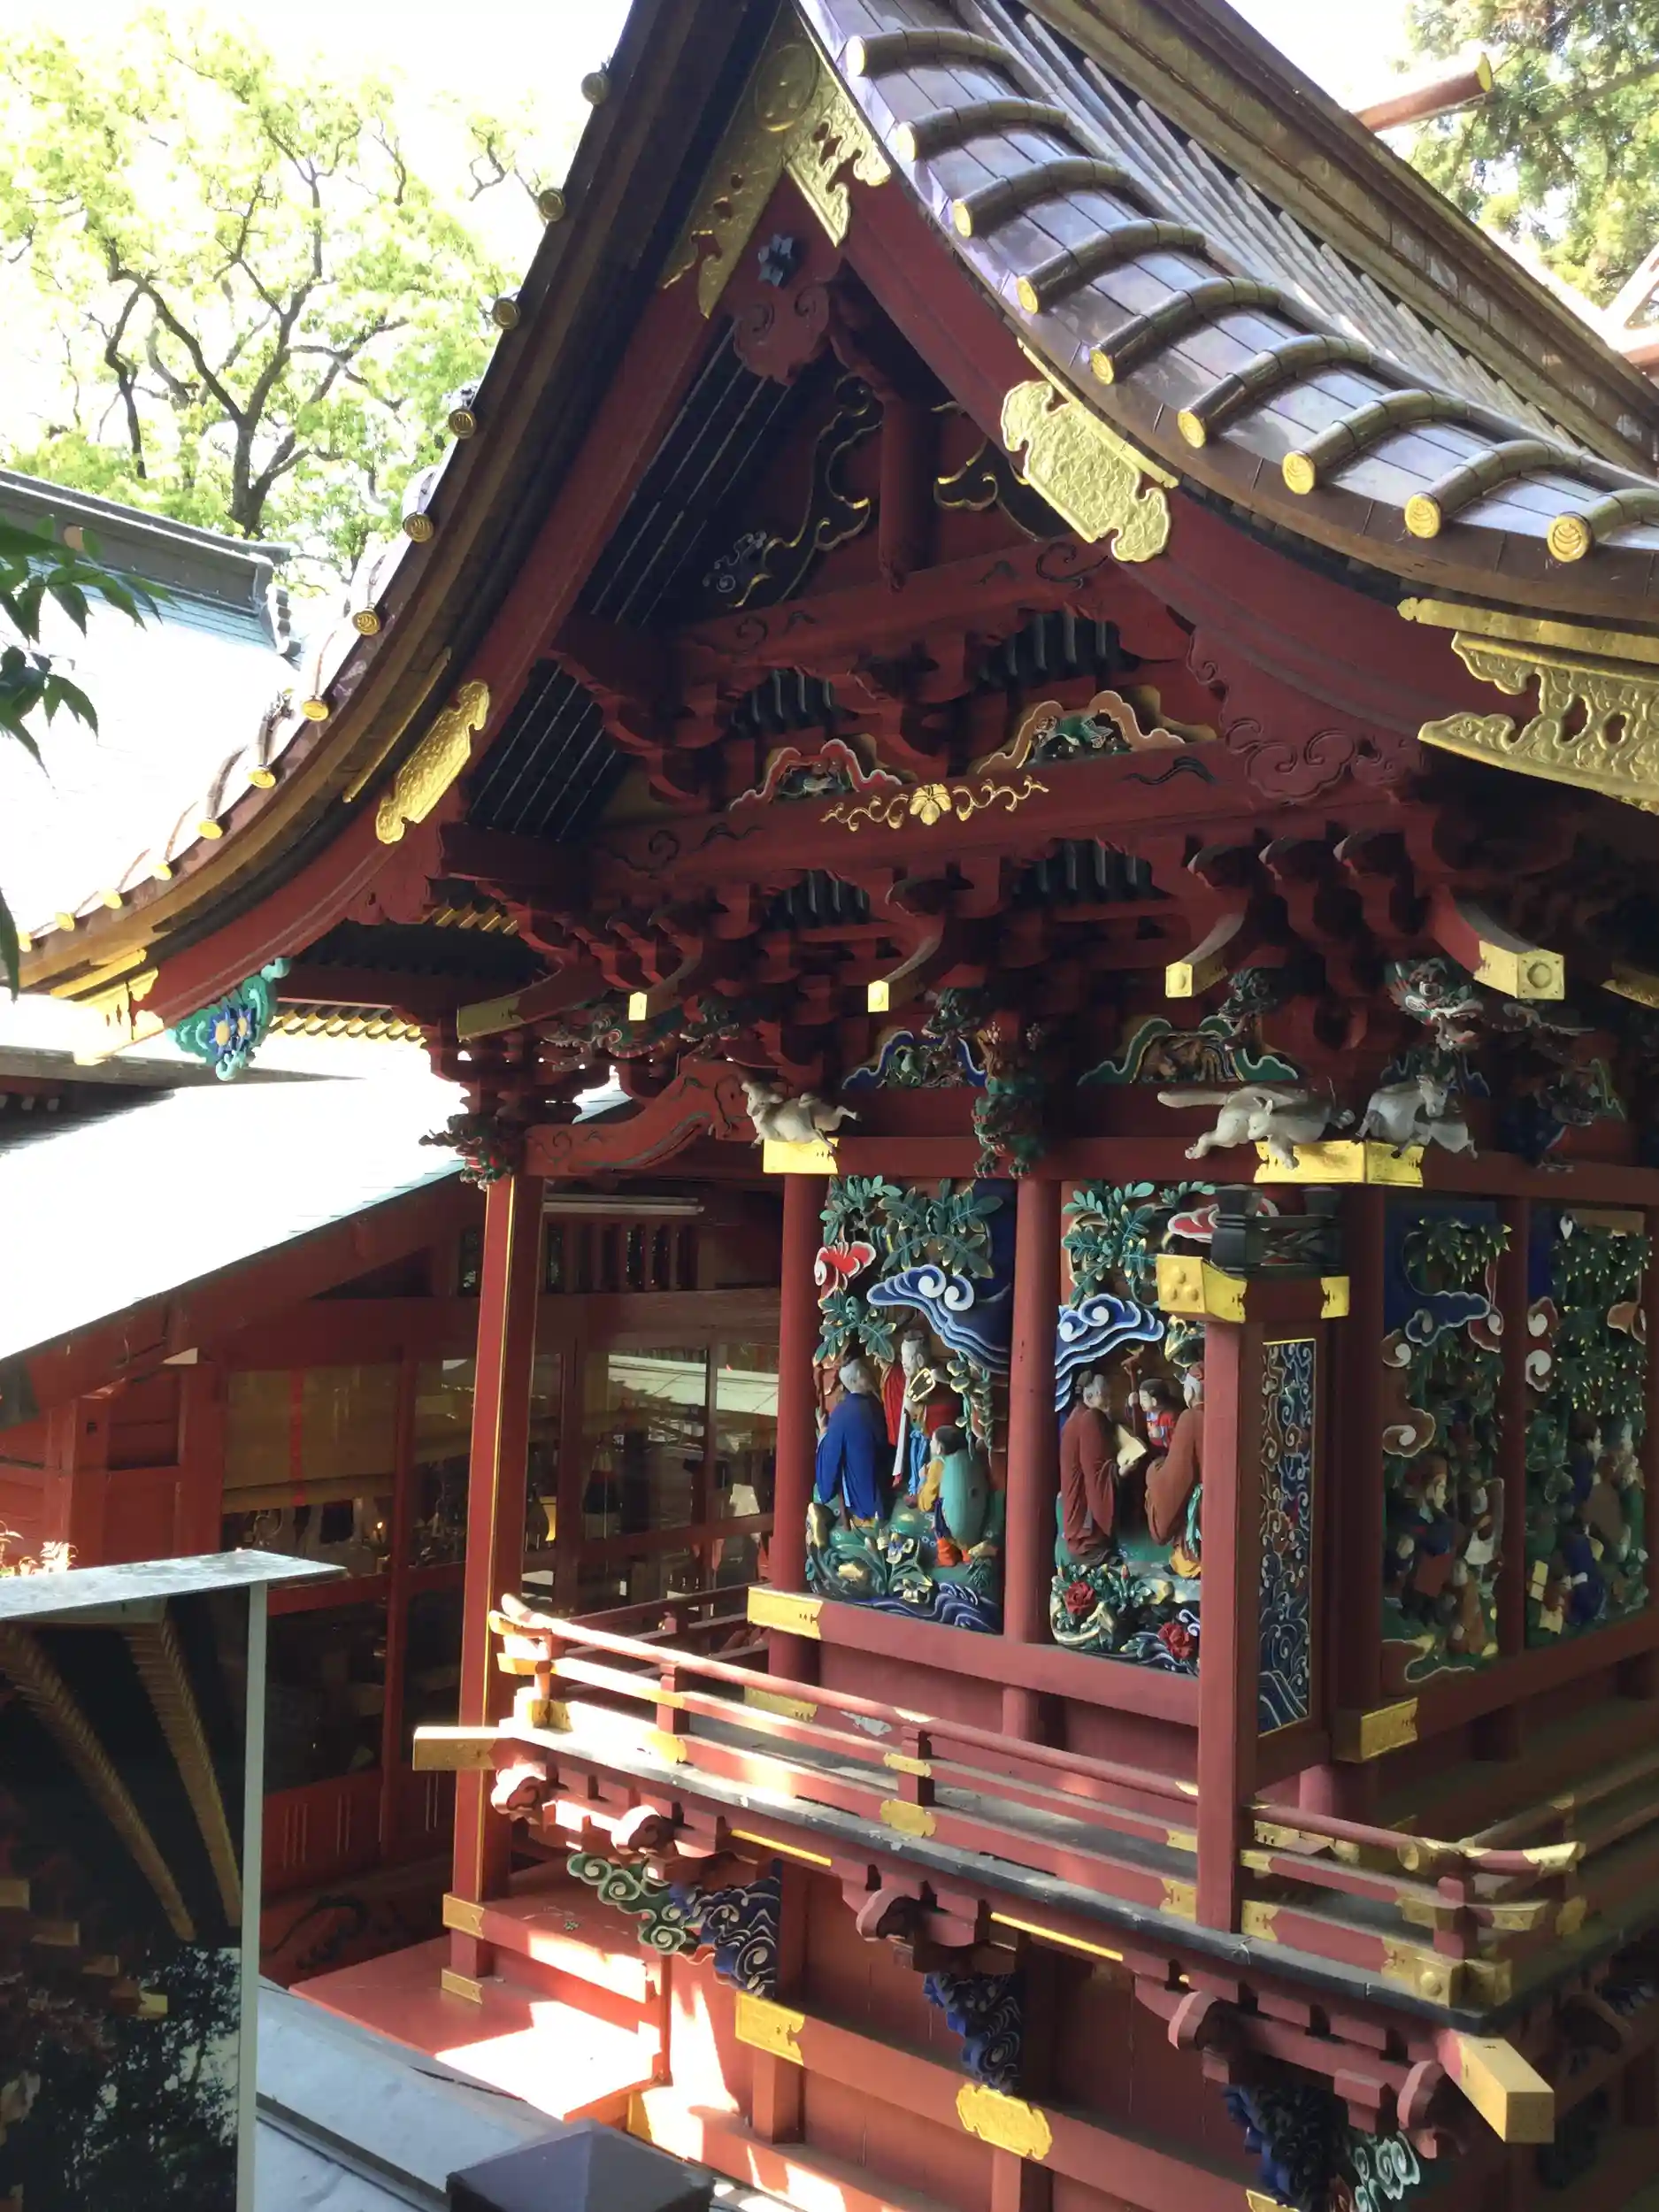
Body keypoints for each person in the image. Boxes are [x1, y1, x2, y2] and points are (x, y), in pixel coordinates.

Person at [814, 1356, 890, 1523]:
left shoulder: (842, 1413)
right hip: (879, 1483)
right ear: (855, 1380)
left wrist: (823, 1432)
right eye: (864, 1372)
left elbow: (830, 1457)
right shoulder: (872, 1404)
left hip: (866, 1490)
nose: (869, 1374)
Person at [1146, 1362, 1205, 1555]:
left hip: (1204, 1510)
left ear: (1191, 1392)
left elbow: (1177, 1476)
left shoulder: (1191, 1418)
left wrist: (1153, 1472)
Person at [1059, 1371, 1118, 1560]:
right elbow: (1095, 1471)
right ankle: (1090, 1542)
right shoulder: (1089, 1418)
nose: (1109, 1402)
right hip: (1084, 1506)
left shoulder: (1076, 1416)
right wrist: (1119, 1470)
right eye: (1105, 1397)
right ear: (1090, 1397)